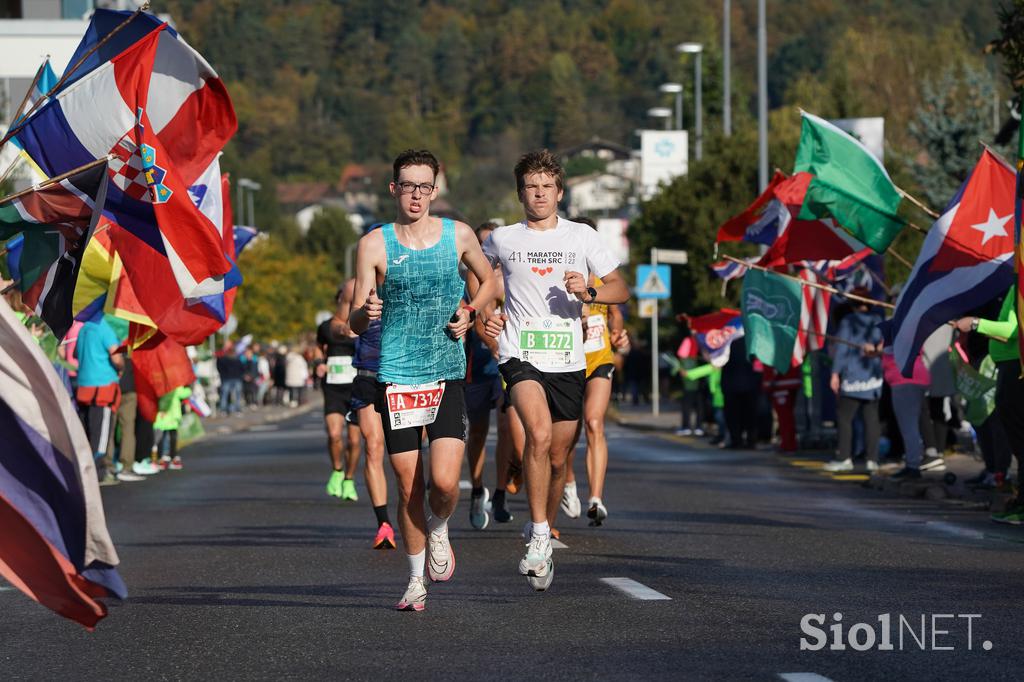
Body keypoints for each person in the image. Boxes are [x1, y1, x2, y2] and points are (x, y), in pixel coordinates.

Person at [349, 149, 496, 610]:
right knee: (409, 485)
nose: (416, 194)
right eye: (408, 185)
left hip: (446, 372)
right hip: (395, 377)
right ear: (393, 188)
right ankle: (415, 579)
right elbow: (355, 319)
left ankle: (440, 526)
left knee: (446, 483)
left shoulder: (459, 236)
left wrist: (469, 313)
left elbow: (491, 281)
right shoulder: (374, 244)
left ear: (436, 190)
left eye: (424, 186)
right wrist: (364, 313)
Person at [482, 149, 629, 590]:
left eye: (547, 187)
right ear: (520, 193)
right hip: (519, 354)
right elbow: (478, 281)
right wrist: (485, 313)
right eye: (531, 187)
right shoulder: (502, 239)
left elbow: (620, 288)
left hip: (567, 359)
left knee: (560, 458)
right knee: (538, 436)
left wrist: (590, 291)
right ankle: (540, 535)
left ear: (560, 193)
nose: (539, 194)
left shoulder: (582, 237)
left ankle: (543, 521)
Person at [562, 217, 629, 528]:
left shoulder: (603, 280)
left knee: (594, 422)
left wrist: (618, 333)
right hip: (565, 361)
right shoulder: (559, 275)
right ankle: (569, 483)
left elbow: (616, 313)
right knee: (567, 433)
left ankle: (596, 499)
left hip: (600, 358)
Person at [334, 272, 396, 549]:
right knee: (373, 446)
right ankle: (383, 524)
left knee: (409, 454)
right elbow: (339, 322)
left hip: (404, 375)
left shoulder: (405, 278)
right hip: (368, 374)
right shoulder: (354, 287)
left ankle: (414, 514)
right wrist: (342, 329)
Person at [956, 286, 1024, 524]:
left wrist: (975, 323)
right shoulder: (1017, 281)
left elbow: (1013, 330)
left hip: (1016, 365)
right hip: (1009, 364)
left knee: (1018, 437)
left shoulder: (1021, 280)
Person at [463, 222, 506, 530]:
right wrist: (494, 346)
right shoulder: (470, 279)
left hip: (513, 366)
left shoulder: (516, 273)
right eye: (481, 246)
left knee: (513, 428)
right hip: (477, 365)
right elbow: (479, 321)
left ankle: (504, 488)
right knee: (477, 432)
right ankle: (478, 489)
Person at [824, 293, 884, 473]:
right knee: (871, 419)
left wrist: (835, 373)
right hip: (873, 377)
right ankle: (872, 460)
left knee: (844, 418)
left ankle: (844, 457)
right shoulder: (877, 320)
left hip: (853, 376)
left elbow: (842, 349)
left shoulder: (848, 321)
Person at [317, 286, 361, 501]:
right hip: (333, 387)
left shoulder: (360, 325)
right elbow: (318, 347)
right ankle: (337, 471)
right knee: (334, 434)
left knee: (354, 441)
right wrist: (318, 363)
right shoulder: (326, 327)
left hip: (355, 387)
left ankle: (349, 479)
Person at [74, 316, 124, 485]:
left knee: (86, 433)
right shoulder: (104, 328)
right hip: (103, 388)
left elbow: (74, 354)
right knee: (101, 436)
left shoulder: (83, 329)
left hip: (83, 387)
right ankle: (97, 474)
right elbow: (116, 357)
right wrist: (121, 367)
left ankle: (85, 471)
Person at [154, 384, 192, 470]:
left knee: (161, 438)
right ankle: (173, 457)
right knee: (173, 438)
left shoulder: (160, 385)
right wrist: (189, 388)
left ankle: (161, 458)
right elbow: (184, 393)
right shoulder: (175, 385)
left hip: (162, 415)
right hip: (173, 416)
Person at [216, 344, 244, 415]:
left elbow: (242, 369)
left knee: (227, 394)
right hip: (230, 378)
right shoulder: (234, 359)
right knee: (229, 394)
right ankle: (227, 409)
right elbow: (242, 369)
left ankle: (227, 409)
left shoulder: (235, 359)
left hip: (230, 378)